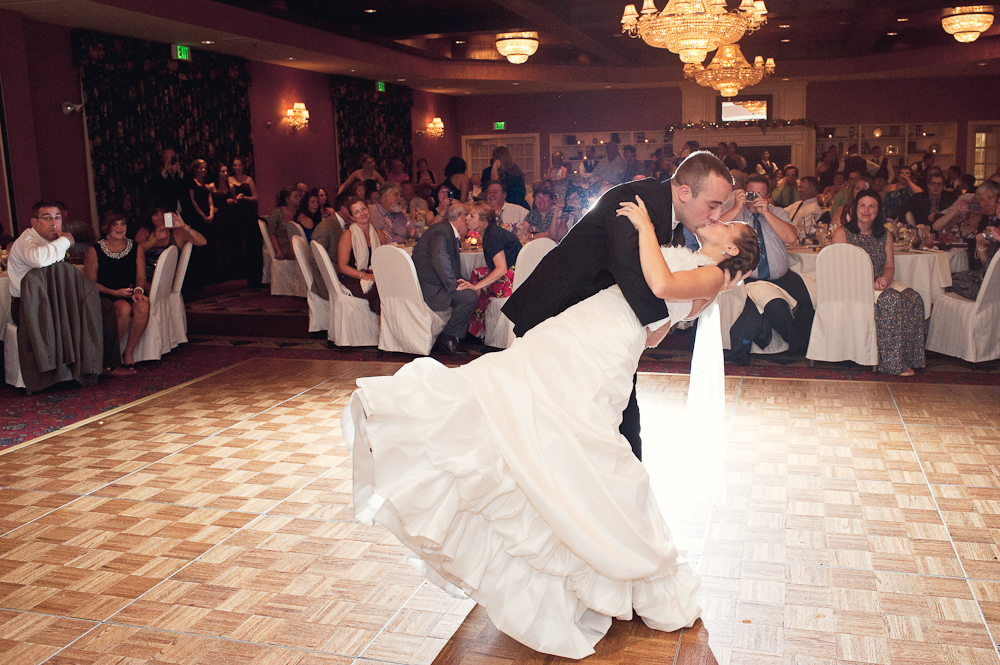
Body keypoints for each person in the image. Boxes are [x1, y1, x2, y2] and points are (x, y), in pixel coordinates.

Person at [341, 199, 758, 659]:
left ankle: (614, 555)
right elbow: (657, 327)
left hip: (604, 337)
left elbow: (660, 285)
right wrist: (627, 322)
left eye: (729, 225)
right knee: (527, 400)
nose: (718, 220)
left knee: (577, 434)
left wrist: (643, 228)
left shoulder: (712, 276)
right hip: (594, 326)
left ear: (733, 249)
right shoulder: (697, 265)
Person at [503, 151, 739, 460]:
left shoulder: (672, 220)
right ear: (684, 192)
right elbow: (627, 264)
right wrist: (659, 323)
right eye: (713, 204)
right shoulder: (635, 199)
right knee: (534, 410)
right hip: (556, 314)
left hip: (602, 332)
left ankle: (620, 478)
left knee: (614, 413)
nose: (717, 214)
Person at [831, 190, 926, 376]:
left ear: (878, 210)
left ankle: (911, 358)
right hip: (851, 285)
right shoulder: (843, 233)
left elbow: (889, 266)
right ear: (855, 208)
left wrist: (885, 280)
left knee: (914, 298)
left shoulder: (885, 234)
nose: (866, 210)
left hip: (877, 282)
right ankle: (891, 363)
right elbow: (840, 270)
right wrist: (869, 282)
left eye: (871, 206)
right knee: (891, 300)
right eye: (862, 205)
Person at [721, 174, 814, 359]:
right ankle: (797, 347)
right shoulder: (736, 213)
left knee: (807, 303)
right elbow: (716, 229)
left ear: (768, 196)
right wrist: (737, 206)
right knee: (775, 307)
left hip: (781, 276)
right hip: (748, 277)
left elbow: (791, 237)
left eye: (760, 194)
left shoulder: (777, 213)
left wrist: (766, 213)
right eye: (751, 193)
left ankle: (810, 345)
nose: (754, 198)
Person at [84, 210, 149, 373]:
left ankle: (128, 352)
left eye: (123, 223)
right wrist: (115, 292)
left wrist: (138, 291)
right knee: (123, 308)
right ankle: (110, 358)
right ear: (107, 227)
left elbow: (141, 277)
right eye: (115, 224)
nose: (120, 227)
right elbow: (90, 284)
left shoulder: (136, 247)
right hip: (104, 296)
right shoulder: (95, 250)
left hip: (128, 292)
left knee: (143, 305)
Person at [412, 203, 478, 355]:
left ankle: (456, 335)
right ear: (462, 217)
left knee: (470, 287)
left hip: (435, 283)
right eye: (468, 217)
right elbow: (439, 257)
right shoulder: (441, 230)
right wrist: (453, 285)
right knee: (469, 296)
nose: (469, 221)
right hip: (431, 288)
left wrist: (460, 282)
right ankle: (448, 337)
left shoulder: (444, 229)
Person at [464, 201, 521, 339]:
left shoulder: (492, 236)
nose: (467, 218)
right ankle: (478, 329)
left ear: (483, 221)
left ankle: (479, 331)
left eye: (472, 216)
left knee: (478, 283)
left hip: (514, 277)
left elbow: (501, 269)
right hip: (514, 271)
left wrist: (477, 286)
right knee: (476, 274)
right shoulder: (490, 232)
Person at [135, 206, 207, 282]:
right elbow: (135, 252)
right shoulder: (145, 232)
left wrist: (184, 226)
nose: (160, 217)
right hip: (144, 278)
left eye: (163, 213)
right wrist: (155, 239)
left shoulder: (177, 232)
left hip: (169, 280)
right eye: (156, 214)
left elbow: (202, 242)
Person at [336, 196, 380, 315]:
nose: (362, 213)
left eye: (363, 209)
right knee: (378, 292)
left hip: (373, 274)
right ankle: (379, 325)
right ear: (352, 217)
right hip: (353, 278)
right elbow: (342, 267)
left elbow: (383, 260)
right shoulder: (348, 235)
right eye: (357, 212)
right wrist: (364, 275)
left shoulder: (379, 233)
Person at [309, 192, 349, 299]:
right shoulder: (325, 227)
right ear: (344, 208)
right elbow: (315, 260)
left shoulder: (349, 224)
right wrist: (344, 269)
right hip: (330, 281)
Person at [228, 157, 261, 286]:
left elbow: (256, 197)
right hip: (235, 215)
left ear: (243, 166)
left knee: (252, 244)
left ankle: (255, 276)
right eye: (235, 165)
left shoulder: (249, 180)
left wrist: (244, 198)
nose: (237, 168)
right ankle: (239, 274)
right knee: (237, 246)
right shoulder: (229, 180)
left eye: (239, 165)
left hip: (249, 215)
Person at [266, 186, 302, 261]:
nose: (299, 198)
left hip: (297, 242)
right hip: (283, 245)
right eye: (295, 196)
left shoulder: (300, 212)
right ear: (287, 199)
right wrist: (278, 250)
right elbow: (272, 233)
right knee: (300, 252)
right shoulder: (277, 213)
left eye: (299, 196)